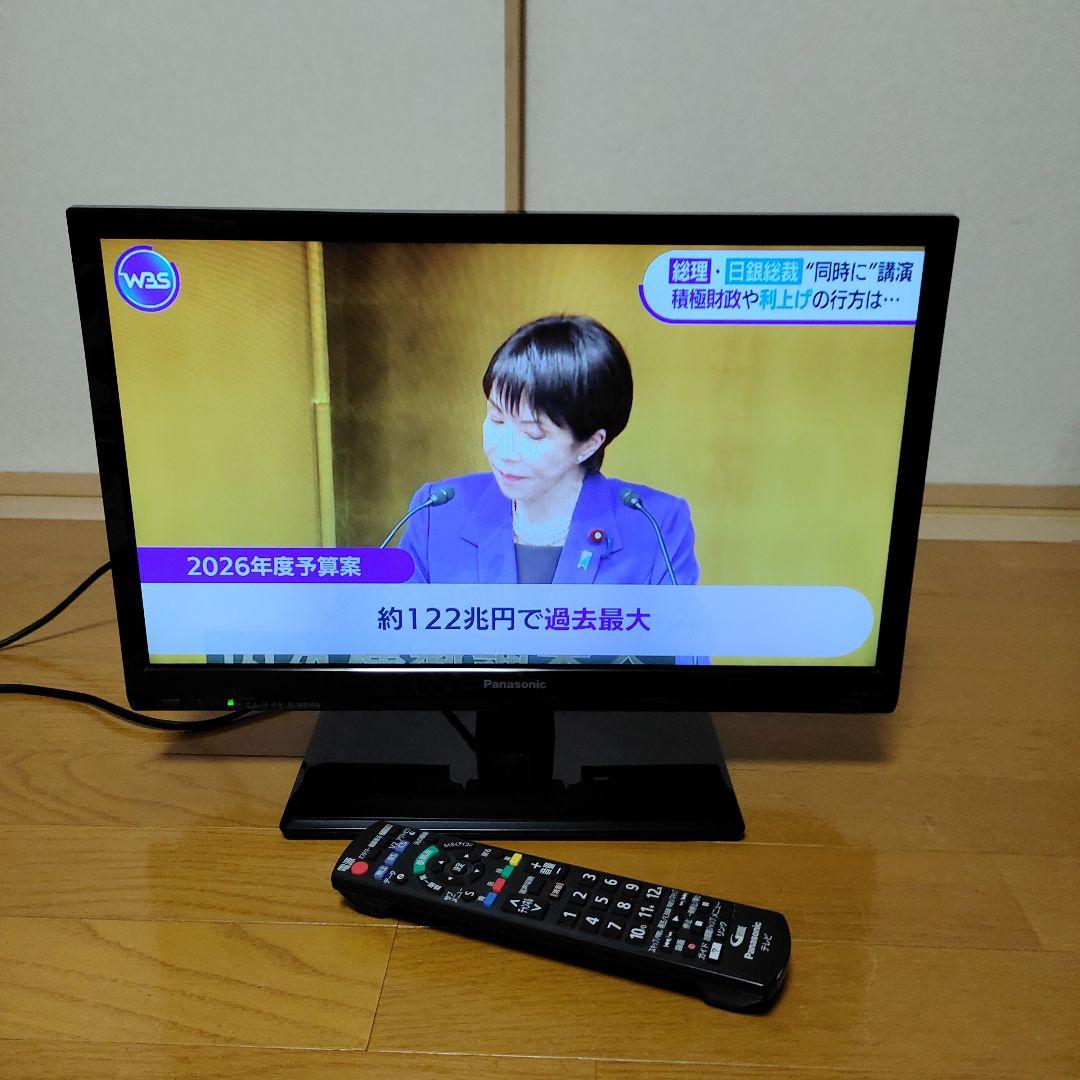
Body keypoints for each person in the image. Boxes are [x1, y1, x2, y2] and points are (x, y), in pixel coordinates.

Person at [397, 314, 699, 586]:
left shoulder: (656, 524)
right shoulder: (437, 513)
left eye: (533, 434)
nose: (505, 451)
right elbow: (398, 625)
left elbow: (678, 631)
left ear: (589, 444)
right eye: (497, 418)